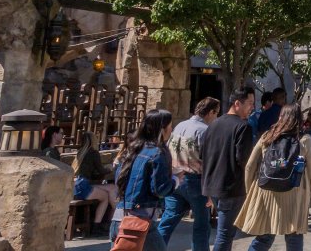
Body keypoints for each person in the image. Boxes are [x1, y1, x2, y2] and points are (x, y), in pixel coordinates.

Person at [234, 104, 311, 250]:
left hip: (266, 191)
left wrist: (248, 191)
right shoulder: (305, 140)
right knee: (294, 238)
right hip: (294, 193)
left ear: (280, 117)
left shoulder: (267, 136)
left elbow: (250, 166)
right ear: (299, 119)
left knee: (264, 238)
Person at [159, 97, 220, 250]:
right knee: (201, 225)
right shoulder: (205, 131)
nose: (217, 117)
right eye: (216, 113)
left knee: (167, 221)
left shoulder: (180, 125)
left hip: (175, 177)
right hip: (196, 180)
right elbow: (209, 162)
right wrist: (210, 190)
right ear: (211, 112)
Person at [112, 109, 175, 251]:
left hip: (119, 218)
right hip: (140, 222)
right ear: (162, 129)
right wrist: (175, 181)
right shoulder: (158, 153)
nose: (172, 129)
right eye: (170, 126)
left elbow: (119, 181)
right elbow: (160, 189)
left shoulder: (132, 149)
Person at [202, 87, 256, 251]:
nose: (252, 107)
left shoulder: (213, 124)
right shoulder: (243, 127)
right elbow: (244, 161)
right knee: (225, 235)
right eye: (250, 103)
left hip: (213, 186)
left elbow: (205, 156)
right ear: (237, 103)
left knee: (223, 234)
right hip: (231, 188)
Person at [72, 130, 117, 230]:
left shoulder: (80, 152)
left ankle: (111, 221)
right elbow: (100, 170)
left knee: (111, 188)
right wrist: (110, 168)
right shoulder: (93, 152)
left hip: (76, 185)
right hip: (83, 185)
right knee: (106, 196)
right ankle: (100, 225)